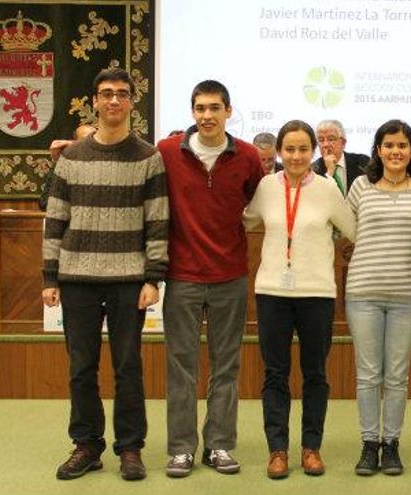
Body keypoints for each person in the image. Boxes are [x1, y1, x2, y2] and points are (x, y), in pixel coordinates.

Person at [43, 68, 168, 481]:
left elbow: (157, 222)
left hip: (129, 279)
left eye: (121, 94)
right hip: (77, 277)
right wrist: (49, 277)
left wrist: (153, 278)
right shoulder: (72, 158)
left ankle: (130, 448)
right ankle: (87, 445)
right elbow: (56, 219)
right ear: (94, 102)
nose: (113, 101)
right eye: (105, 94)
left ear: (132, 102)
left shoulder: (149, 157)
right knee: (81, 367)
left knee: (128, 367)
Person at [157, 80, 265, 478]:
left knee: (226, 367)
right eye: (200, 108)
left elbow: (256, 204)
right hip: (182, 276)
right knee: (180, 366)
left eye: (214, 108)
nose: (207, 115)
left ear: (228, 111)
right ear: (192, 112)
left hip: (230, 276)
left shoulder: (249, 156)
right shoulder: (167, 152)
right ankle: (182, 448)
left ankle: (219, 445)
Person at [245, 119, 357, 479]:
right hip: (273, 293)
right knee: (275, 374)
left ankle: (311, 448)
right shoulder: (265, 186)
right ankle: (277, 450)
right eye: (289, 149)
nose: (296, 156)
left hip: (316, 294)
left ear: (314, 151)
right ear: (279, 151)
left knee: (315, 374)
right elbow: (245, 221)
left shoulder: (327, 189)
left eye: (303, 149)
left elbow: (353, 229)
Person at [345, 120, 411, 477]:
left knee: (396, 376)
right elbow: (345, 232)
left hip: (407, 294)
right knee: (367, 375)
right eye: (389, 145)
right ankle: (369, 443)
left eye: (403, 145)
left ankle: (391, 445)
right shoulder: (361, 186)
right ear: (378, 149)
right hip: (363, 294)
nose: (396, 151)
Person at [38, 124, 96, 211]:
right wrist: (58, 162)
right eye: (85, 141)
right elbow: (45, 203)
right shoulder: (64, 167)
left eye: (93, 140)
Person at [311, 119, 369, 196]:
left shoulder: (362, 162)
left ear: (343, 142)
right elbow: (317, 198)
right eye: (321, 140)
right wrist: (330, 171)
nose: (325, 144)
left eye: (331, 139)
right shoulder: (313, 169)